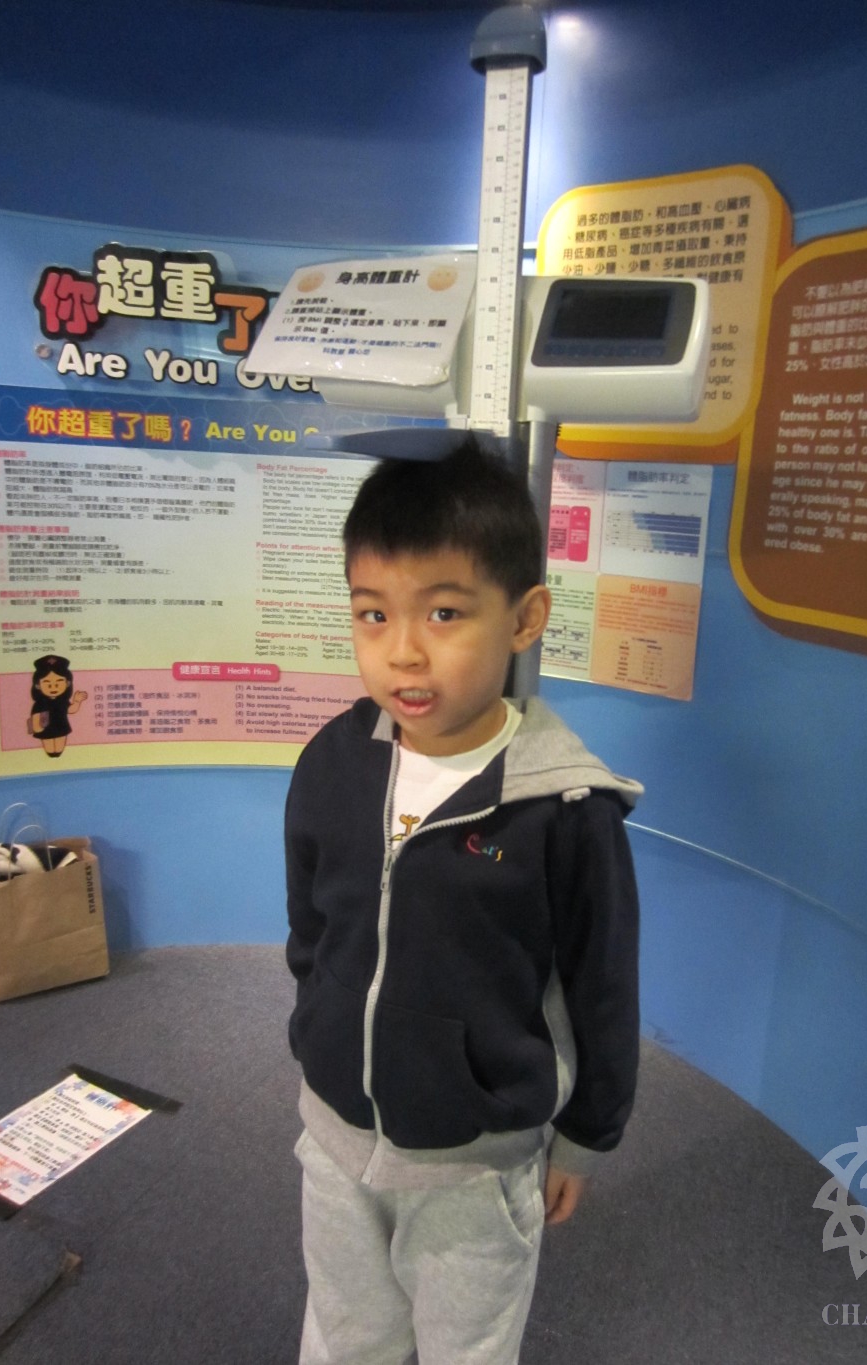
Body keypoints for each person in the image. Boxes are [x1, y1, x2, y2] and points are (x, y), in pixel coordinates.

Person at [285, 437, 642, 1365]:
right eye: (373, 613)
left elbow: (603, 988)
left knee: (467, 1347)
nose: (403, 650)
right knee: (344, 1334)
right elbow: (311, 928)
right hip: (335, 1134)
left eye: (444, 612)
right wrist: (320, 1030)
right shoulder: (332, 761)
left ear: (525, 618)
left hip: (475, 1164)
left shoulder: (567, 807)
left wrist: (584, 1138)